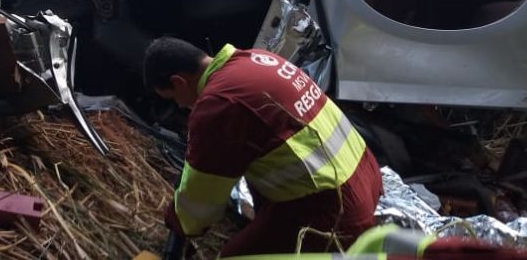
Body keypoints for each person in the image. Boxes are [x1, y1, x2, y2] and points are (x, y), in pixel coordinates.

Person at [144, 37, 383, 257]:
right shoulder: (256, 60)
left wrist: (178, 221)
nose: (180, 105)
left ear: (178, 82)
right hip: (364, 175)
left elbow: (201, 201)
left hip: (336, 212)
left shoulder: (219, 104)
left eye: (173, 97)